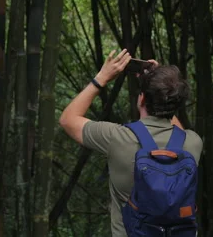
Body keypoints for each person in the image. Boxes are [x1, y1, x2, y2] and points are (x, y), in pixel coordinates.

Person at [59, 49, 203, 236]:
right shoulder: (193, 143)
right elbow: (176, 130)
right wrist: (165, 90)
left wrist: (101, 78)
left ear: (142, 98)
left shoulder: (118, 138)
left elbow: (67, 119)